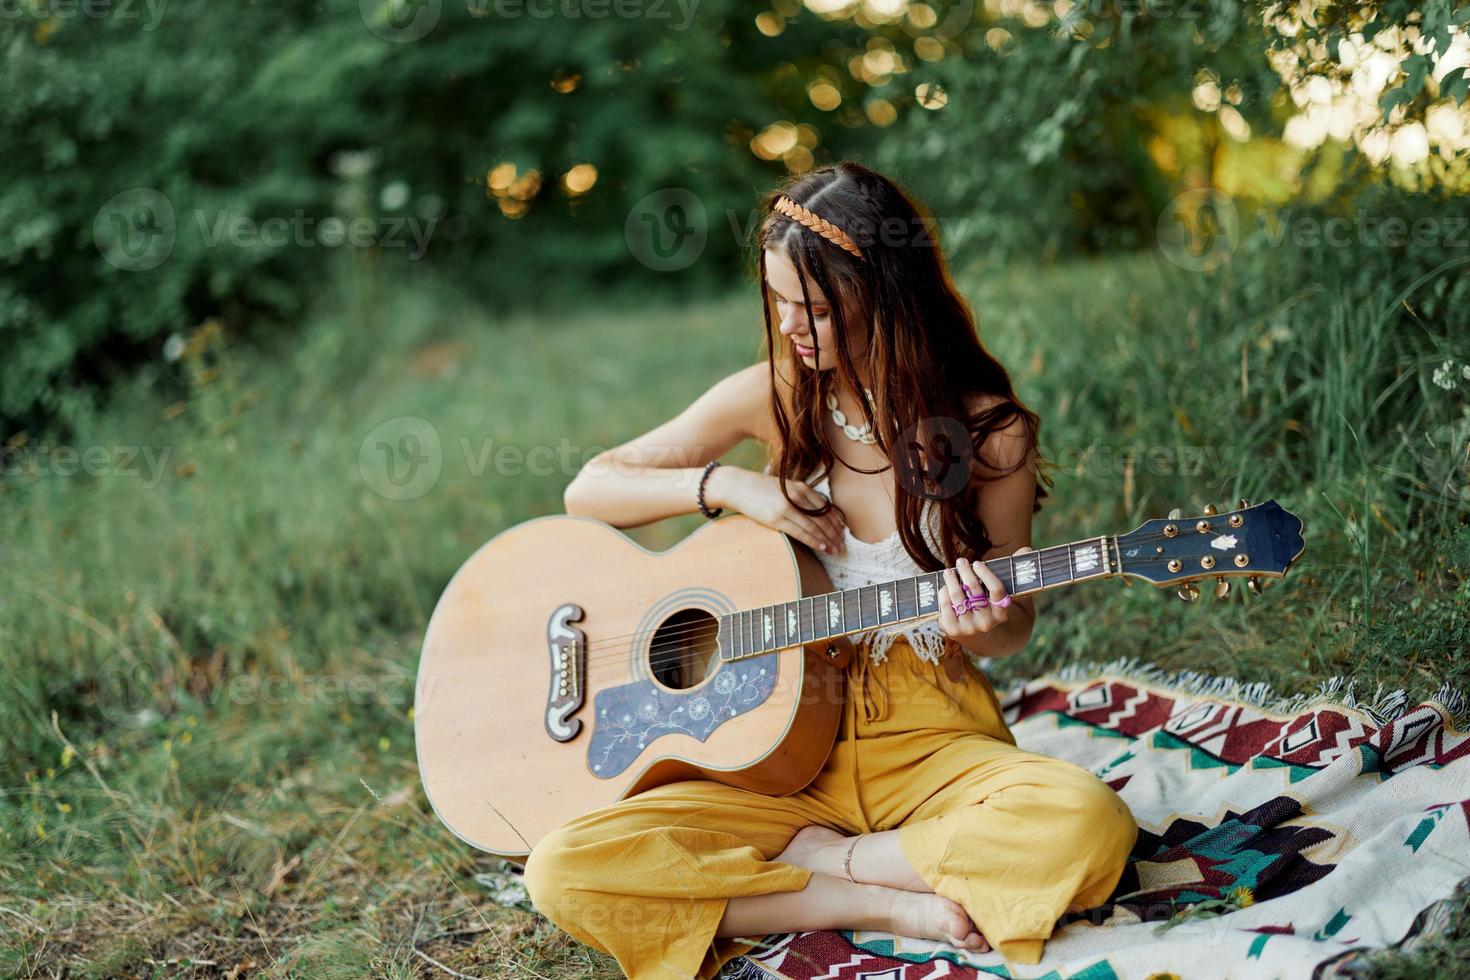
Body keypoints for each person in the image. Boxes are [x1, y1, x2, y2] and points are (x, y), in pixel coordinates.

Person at [524, 161, 1138, 979]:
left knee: (1085, 824)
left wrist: (991, 622)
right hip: (766, 757)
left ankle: (825, 869)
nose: (790, 327)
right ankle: (872, 894)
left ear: (884, 297)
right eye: (777, 301)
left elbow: (1007, 629)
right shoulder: (773, 396)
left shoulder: (991, 435)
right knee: (562, 868)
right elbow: (590, 487)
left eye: (814, 309)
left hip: (926, 738)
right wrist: (729, 484)